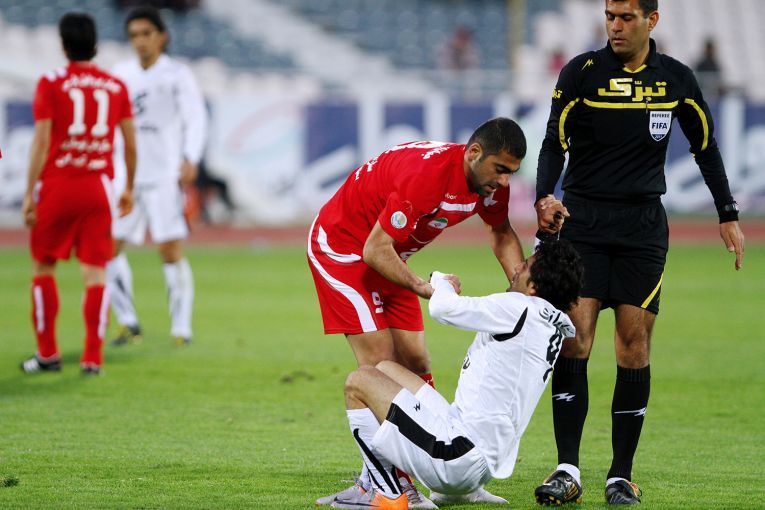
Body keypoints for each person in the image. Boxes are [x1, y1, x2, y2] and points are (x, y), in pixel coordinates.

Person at [534, 0, 745, 505]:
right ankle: (567, 469)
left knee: (633, 346)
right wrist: (544, 196)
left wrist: (727, 212)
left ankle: (620, 475)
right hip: (583, 223)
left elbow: (705, 146)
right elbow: (553, 143)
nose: (615, 25)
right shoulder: (581, 73)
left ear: (652, 20)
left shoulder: (676, 79)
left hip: (642, 230)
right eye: (610, 15)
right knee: (574, 341)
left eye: (626, 17)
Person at [309, 118, 531, 507]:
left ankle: (443, 481)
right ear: (474, 153)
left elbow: (500, 233)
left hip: (389, 255)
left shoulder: (489, 185)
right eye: (500, 169)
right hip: (343, 252)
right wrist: (424, 288)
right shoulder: (427, 179)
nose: (504, 181)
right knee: (378, 367)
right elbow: (373, 250)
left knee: (415, 364)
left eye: (511, 172)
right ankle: (386, 485)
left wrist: (525, 298)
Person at [329, 240, 584, 509]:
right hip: (480, 463)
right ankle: (461, 493)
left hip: (455, 458)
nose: (517, 268)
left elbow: (444, 308)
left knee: (358, 382)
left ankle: (387, 493)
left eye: (526, 265)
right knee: (384, 370)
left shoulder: (520, 307)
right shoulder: (552, 325)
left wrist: (442, 282)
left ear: (533, 287)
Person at [20, 12, 136, 375]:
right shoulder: (115, 86)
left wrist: (29, 193)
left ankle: (47, 354)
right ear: (95, 43)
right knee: (96, 273)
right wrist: (128, 187)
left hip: (59, 185)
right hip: (98, 188)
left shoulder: (51, 83)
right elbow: (131, 144)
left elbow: (41, 142)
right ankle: (92, 358)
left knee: (43, 266)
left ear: (63, 44)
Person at [106, 6, 207, 346]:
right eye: (134, 35)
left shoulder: (177, 74)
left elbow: (195, 117)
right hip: (127, 177)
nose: (140, 41)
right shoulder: (120, 73)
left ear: (161, 36)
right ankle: (128, 321)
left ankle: (181, 328)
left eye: (146, 33)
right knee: (108, 248)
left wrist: (190, 156)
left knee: (170, 249)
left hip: (164, 174)